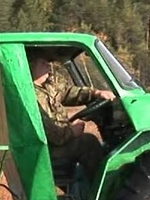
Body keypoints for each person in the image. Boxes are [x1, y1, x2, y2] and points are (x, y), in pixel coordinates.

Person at [29, 50, 115, 182]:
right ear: (31, 66)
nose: (48, 66)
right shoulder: (31, 95)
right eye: (43, 62)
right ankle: (104, 192)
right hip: (47, 149)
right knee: (88, 143)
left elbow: (68, 92)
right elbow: (51, 134)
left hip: (54, 142)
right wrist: (71, 132)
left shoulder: (47, 86)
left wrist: (95, 93)